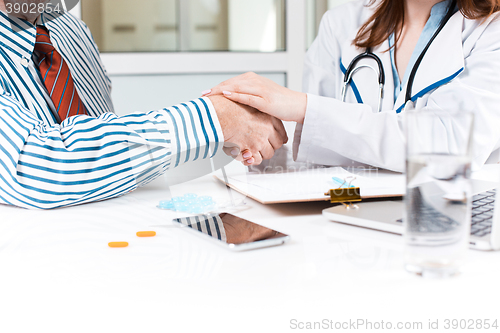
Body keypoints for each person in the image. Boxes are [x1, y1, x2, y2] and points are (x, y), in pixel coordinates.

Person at [0, 1, 287, 209]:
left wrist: (221, 131)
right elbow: (39, 167)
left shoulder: (70, 31)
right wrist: (217, 118)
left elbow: (108, 142)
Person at [206, 0, 500, 172]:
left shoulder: (491, 30)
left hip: (447, 225)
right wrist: (250, 129)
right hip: (347, 222)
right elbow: (312, 142)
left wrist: (303, 106)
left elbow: (452, 144)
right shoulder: (342, 23)